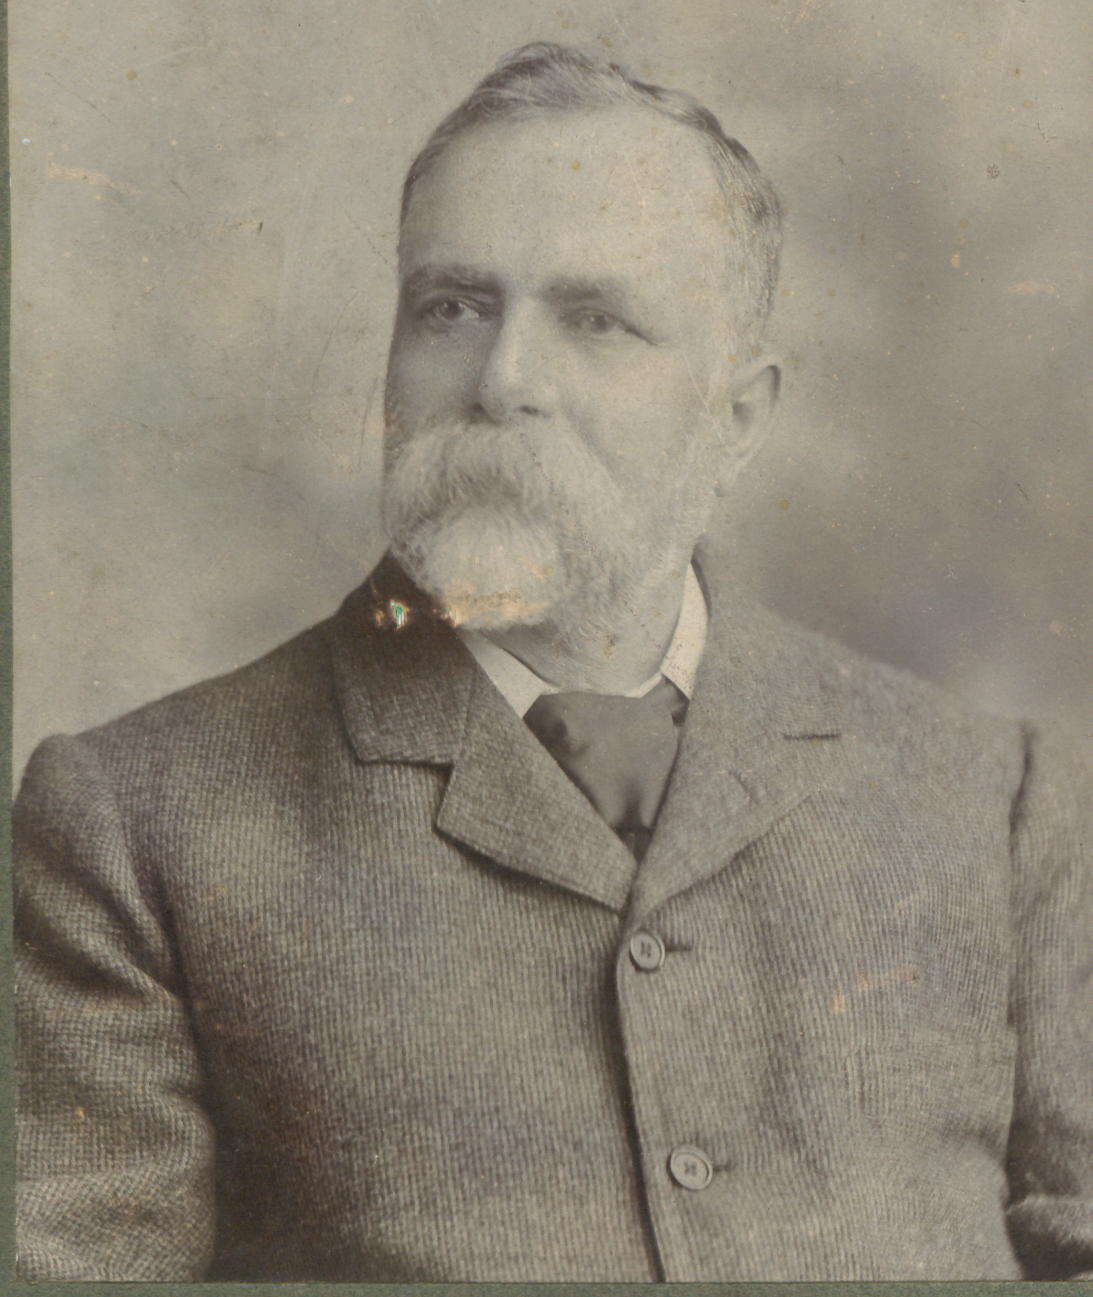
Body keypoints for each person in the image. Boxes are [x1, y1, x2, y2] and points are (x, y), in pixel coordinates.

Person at [14, 42, 1091, 1283]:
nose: (503, 380)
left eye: (594, 320)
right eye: (451, 307)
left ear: (736, 418)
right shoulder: (136, 824)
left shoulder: (998, 801)